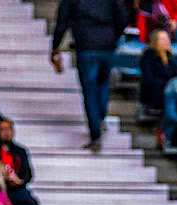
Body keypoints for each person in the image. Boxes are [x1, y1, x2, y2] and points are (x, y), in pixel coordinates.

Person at [50, 0, 124, 150]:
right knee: (102, 84)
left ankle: (95, 132)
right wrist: (113, 36)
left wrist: (55, 46)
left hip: (86, 45)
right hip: (106, 44)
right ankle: (100, 118)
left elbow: (62, 22)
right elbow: (122, 15)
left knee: (90, 91)